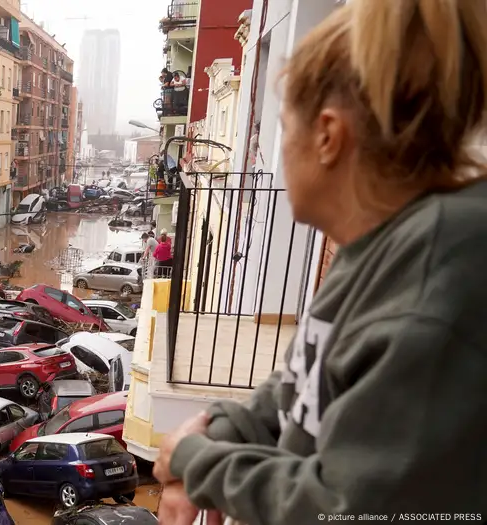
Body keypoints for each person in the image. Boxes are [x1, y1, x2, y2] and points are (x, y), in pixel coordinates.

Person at [154, 1, 487, 524]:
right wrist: (209, 436)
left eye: (284, 125)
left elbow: (350, 508)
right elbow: (297, 388)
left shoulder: (439, 272)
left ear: (328, 136)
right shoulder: (374, 248)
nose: (275, 147)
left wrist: (199, 463)